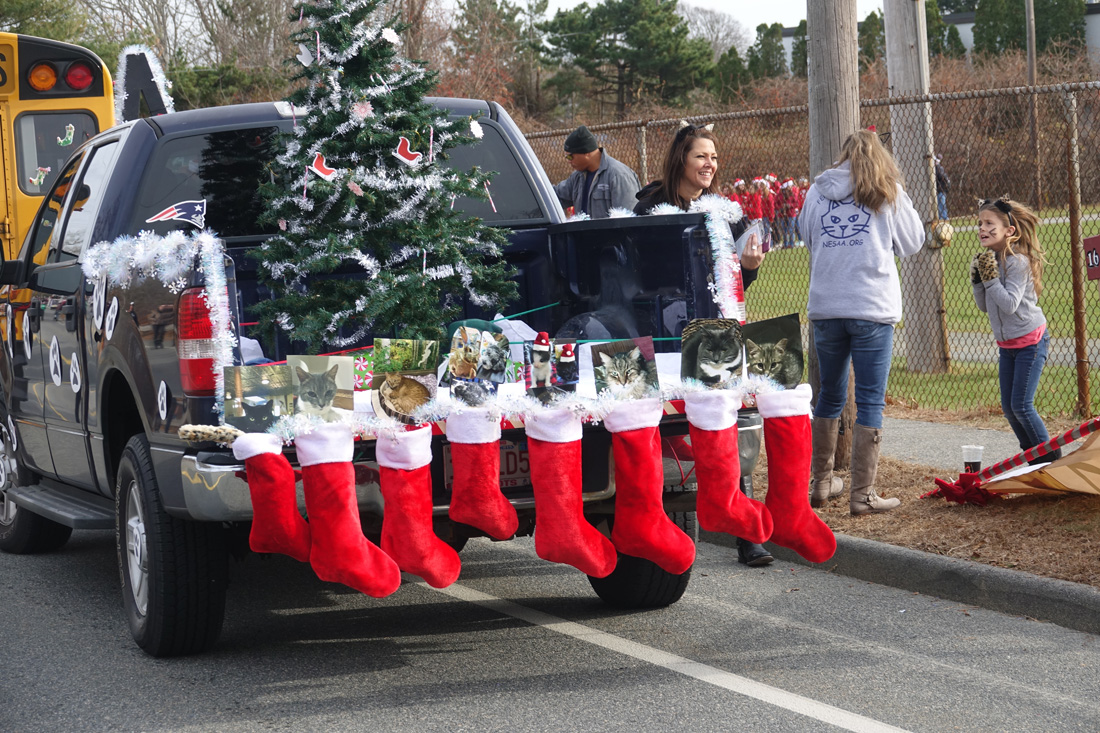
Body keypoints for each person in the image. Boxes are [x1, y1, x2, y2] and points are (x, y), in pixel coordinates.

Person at [635, 123, 770, 564]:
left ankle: (747, 535)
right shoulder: (649, 209)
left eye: (714, 157)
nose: (710, 164)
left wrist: (748, 266)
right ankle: (656, 526)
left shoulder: (723, 212)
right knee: (664, 430)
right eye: (701, 156)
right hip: (665, 333)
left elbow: (731, 282)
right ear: (681, 159)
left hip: (714, 331)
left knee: (725, 423)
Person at [800, 129, 924, 516]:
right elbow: (913, 242)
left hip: (827, 307)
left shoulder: (817, 192)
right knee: (870, 399)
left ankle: (820, 482)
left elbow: (807, 236)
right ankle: (862, 495)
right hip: (871, 306)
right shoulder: (887, 193)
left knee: (830, 395)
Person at [971, 197, 1060, 465]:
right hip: (1007, 347)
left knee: (1022, 405)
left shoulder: (1018, 262)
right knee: (1010, 410)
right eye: (980, 224)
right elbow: (985, 307)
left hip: (1031, 343)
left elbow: (1009, 304)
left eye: (989, 223)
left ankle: (1052, 460)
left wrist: (990, 278)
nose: (982, 229)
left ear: (1009, 230)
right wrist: (979, 280)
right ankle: (1034, 461)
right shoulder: (991, 260)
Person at [554, 125, 640, 219]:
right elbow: (553, 198)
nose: (568, 161)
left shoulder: (619, 176)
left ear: (586, 152)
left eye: (570, 157)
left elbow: (629, 219)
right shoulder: (578, 177)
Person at [935, 154, 951, 220]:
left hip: (941, 190)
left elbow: (941, 176)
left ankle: (944, 218)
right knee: (940, 204)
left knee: (941, 204)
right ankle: (942, 217)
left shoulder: (938, 168)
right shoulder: (939, 168)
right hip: (941, 190)